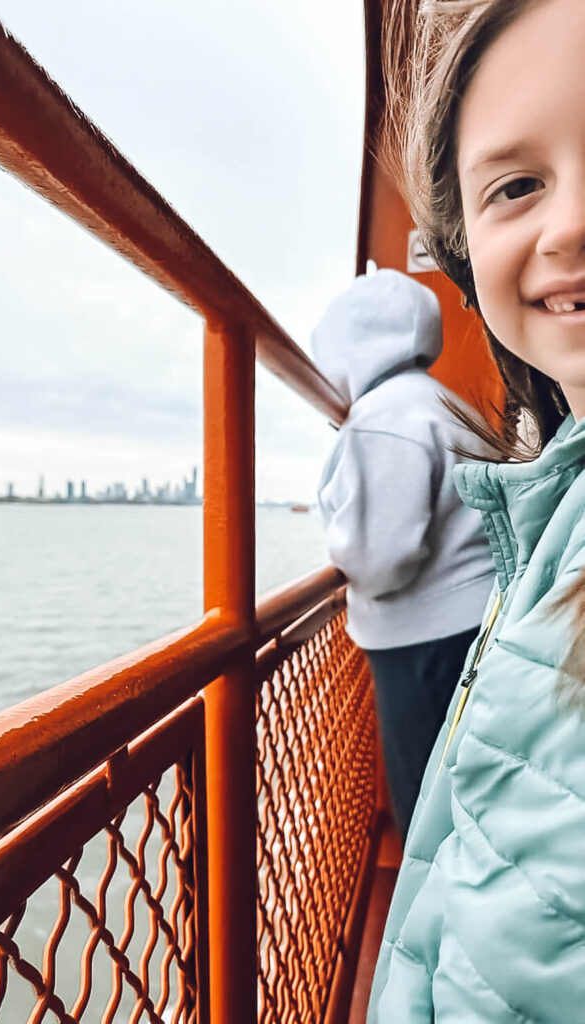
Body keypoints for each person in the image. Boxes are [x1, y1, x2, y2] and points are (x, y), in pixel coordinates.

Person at [368, 0, 585, 1020]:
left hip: (401, 625)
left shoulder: (376, 421)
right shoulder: (514, 460)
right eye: (516, 184)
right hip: (474, 609)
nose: (570, 221)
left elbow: (376, 543)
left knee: (425, 785)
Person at [312, 268, 494, 839]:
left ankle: (433, 918)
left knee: (426, 798)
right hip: (476, 619)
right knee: (467, 787)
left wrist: (339, 536)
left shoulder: (383, 419)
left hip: (426, 637)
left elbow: (379, 559)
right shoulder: (442, 403)